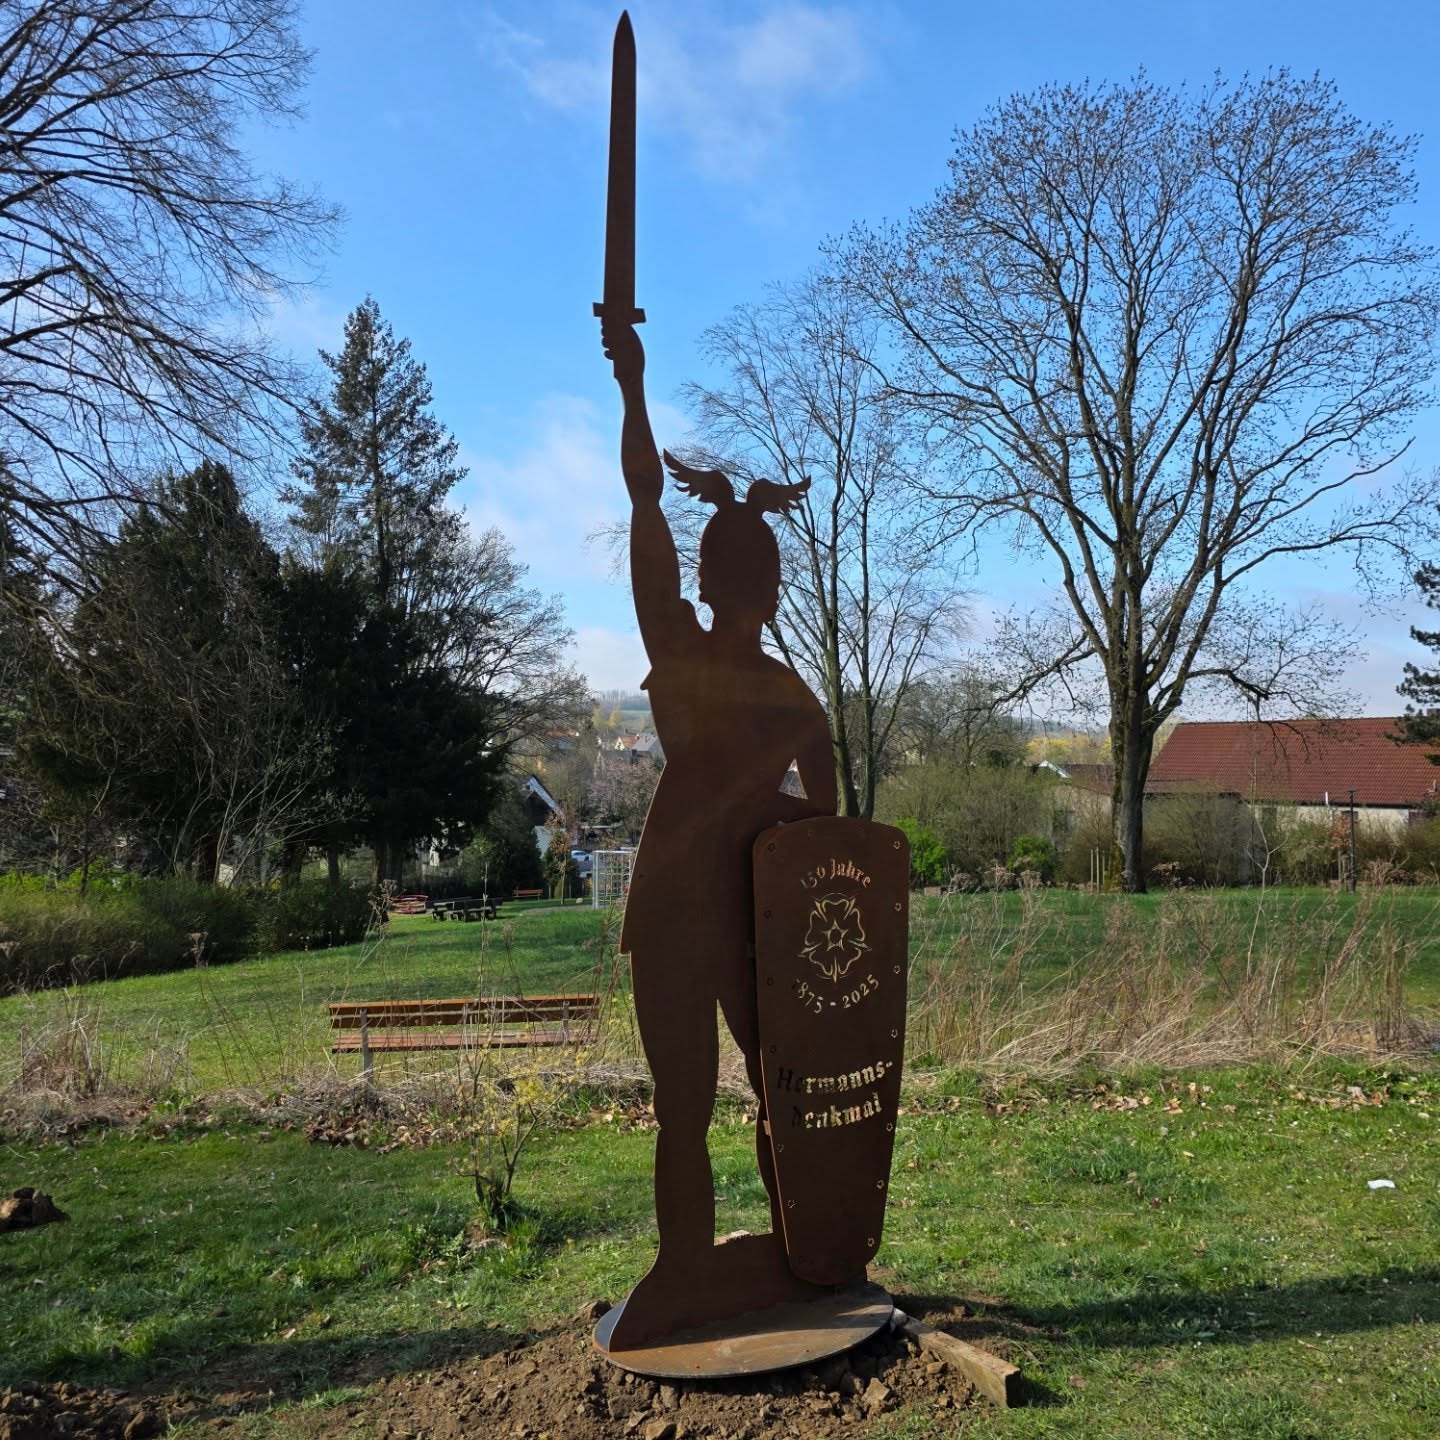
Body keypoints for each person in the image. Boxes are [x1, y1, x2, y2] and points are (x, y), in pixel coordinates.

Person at [600, 317, 838, 1346]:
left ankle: (698, 1268)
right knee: (774, 1093)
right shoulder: (796, 702)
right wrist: (759, 811)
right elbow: (827, 829)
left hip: (675, 914)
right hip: (749, 917)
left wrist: (636, 390)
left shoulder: (680, 656)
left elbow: (642, 498)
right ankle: (796, 1245)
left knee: (682, 1107)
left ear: (702, 580)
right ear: (775, 589)